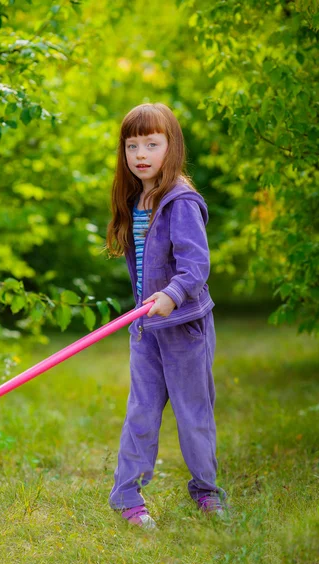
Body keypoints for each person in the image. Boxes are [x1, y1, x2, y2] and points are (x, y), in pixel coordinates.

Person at [105, 102, 229, 530]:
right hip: (145, 329)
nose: (140, 154)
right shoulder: (135, 200)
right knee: (141, 410)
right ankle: (126, 496)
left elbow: (195, 267)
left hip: (184, 328)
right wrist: (145, 308)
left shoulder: (181, 202)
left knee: (194, 412)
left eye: (152, 144)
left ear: (170, 147)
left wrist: (171, 296)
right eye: (132, 145)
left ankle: (207, 491)